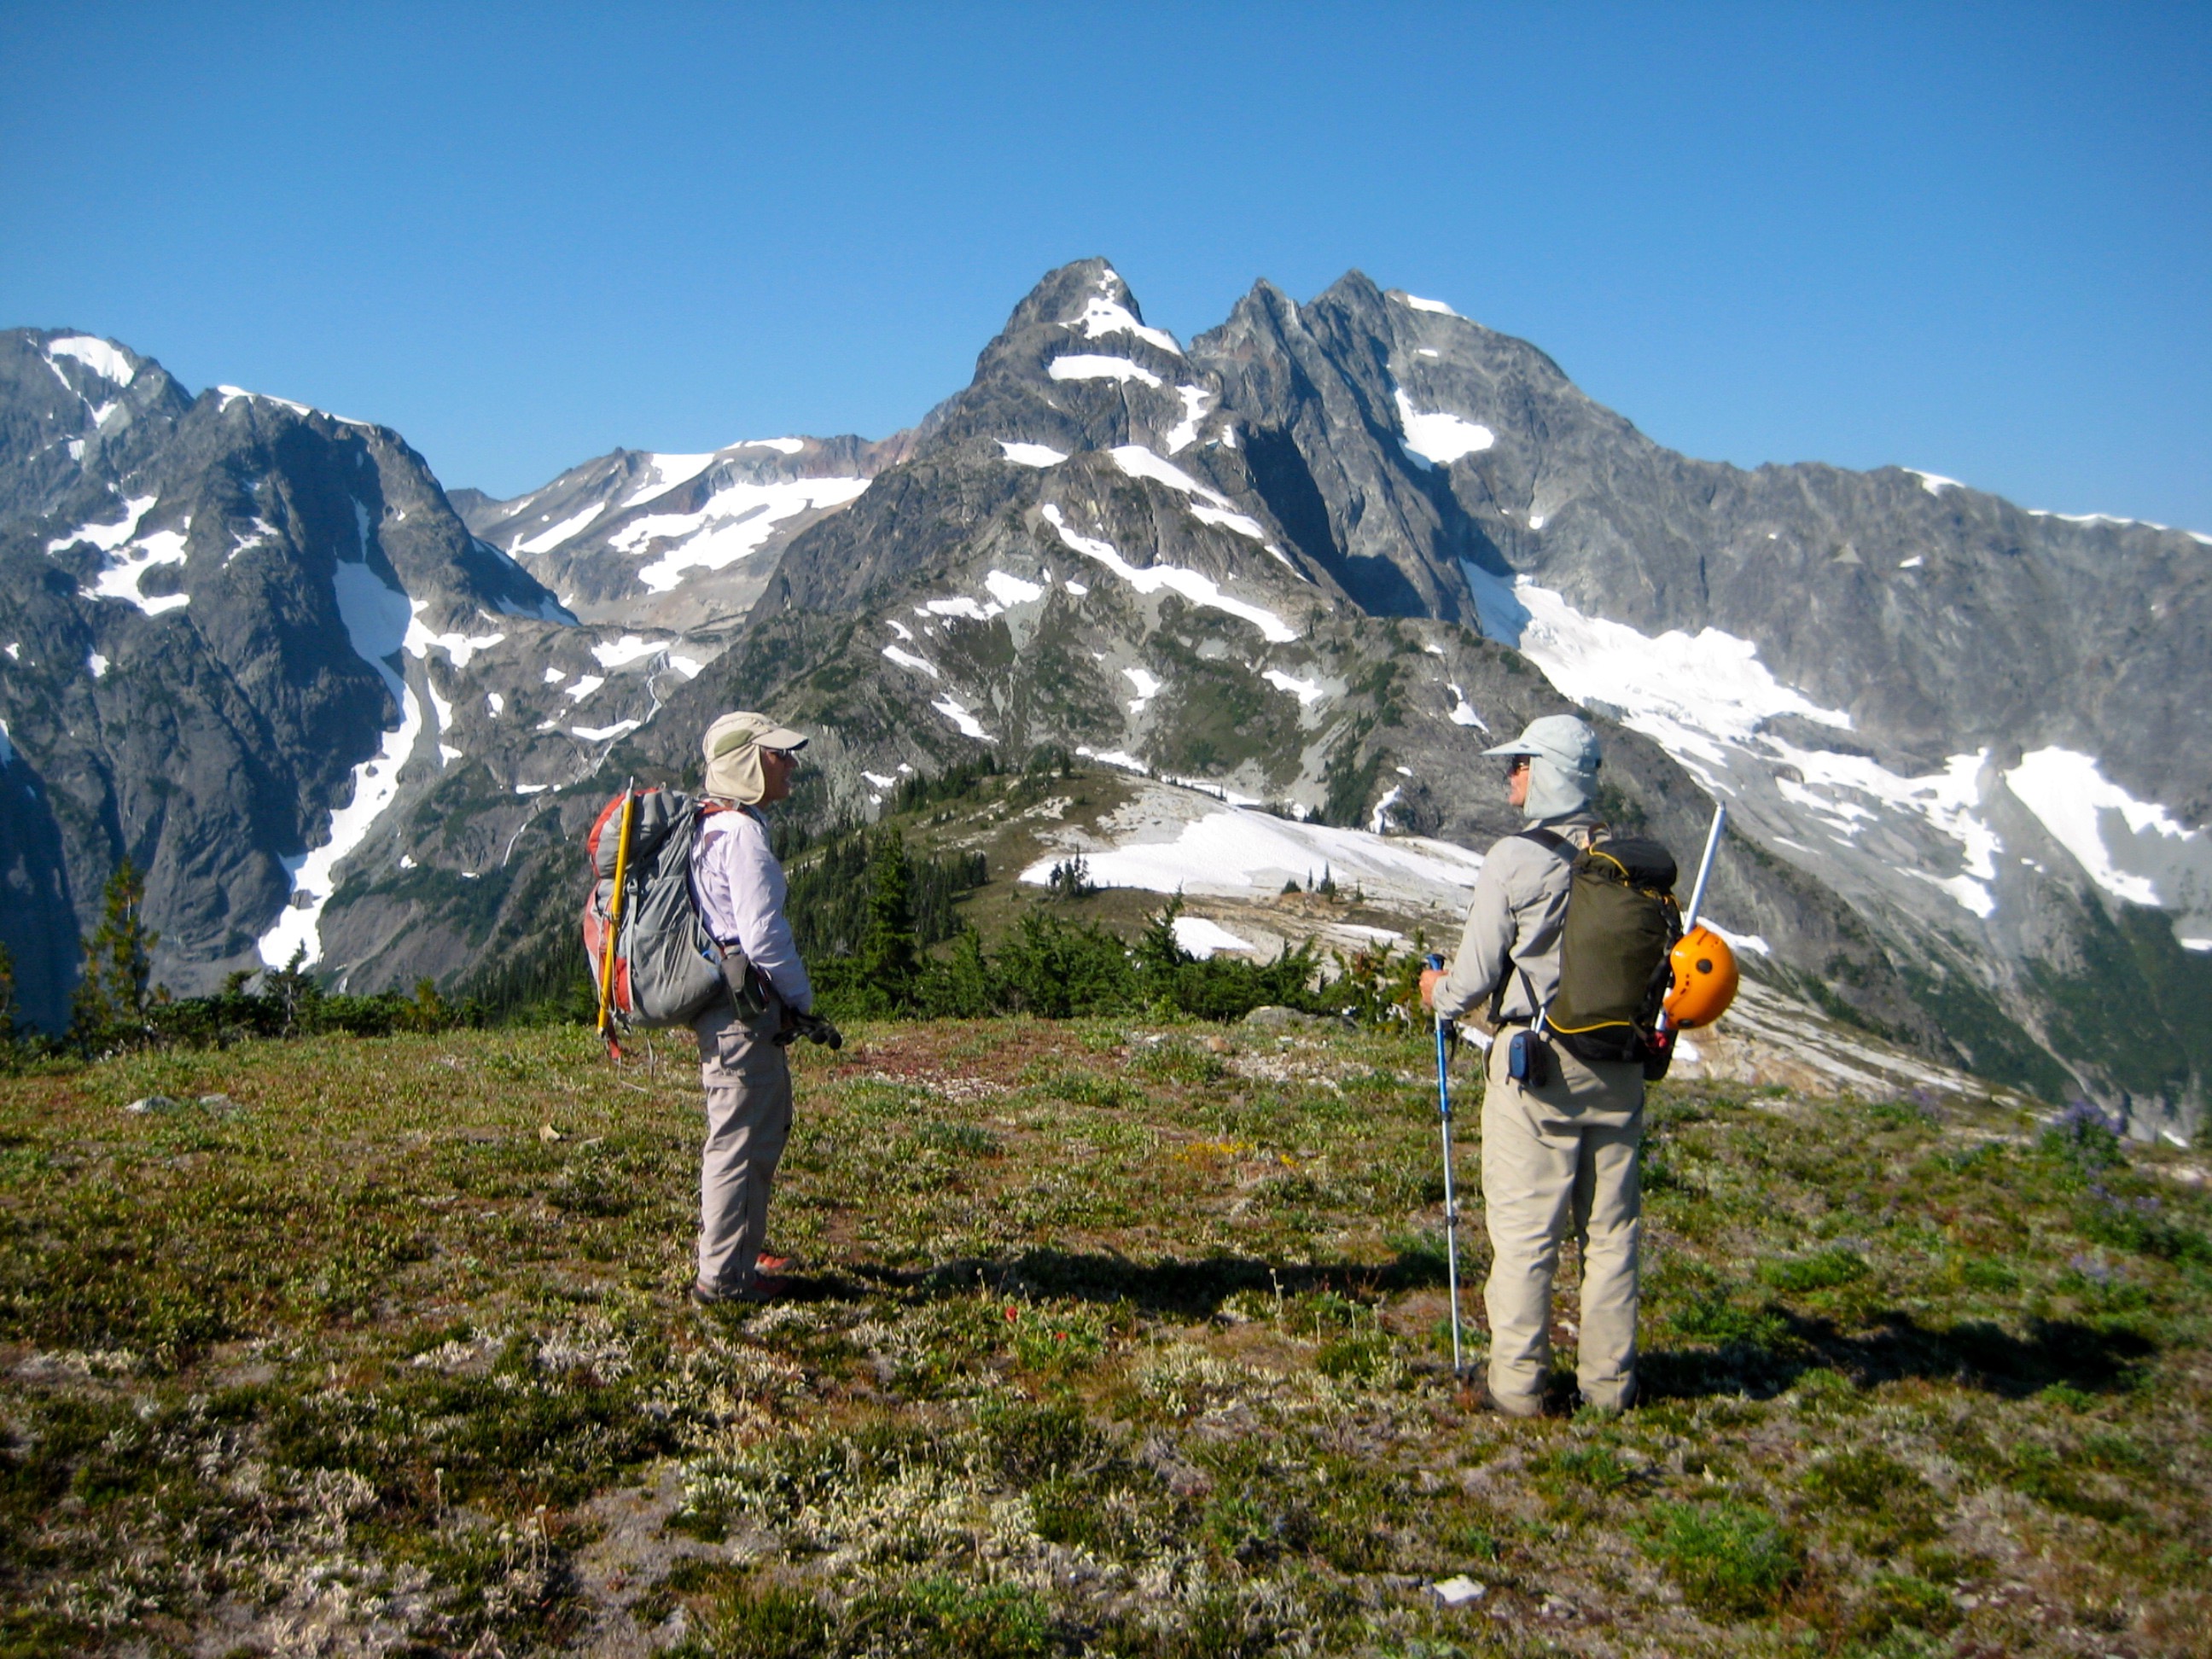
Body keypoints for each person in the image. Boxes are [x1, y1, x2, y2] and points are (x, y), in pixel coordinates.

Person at [1420, 714, 1645, 1416]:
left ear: (1545, 772)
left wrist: (1437, 992)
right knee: (1610, 1237)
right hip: (1621, 1067)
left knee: (1525, 1236)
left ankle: (1516, 1392)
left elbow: (1475, 982)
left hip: (1537, 1072)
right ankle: (1609, 1392)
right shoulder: (1627, 861)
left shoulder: (1514, 860)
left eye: (1520, 762)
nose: (1510, 773)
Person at [687, 710, 814, 1305]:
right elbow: (762, 936)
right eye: (777, 754)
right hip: (745, 1012)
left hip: (721, 1006)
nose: (789, 763)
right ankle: (726, 1283)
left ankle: (738, 1252)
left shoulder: (707, 825)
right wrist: (802, 1003)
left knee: (742, 1133)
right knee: (741, 1141)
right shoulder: (739, 833)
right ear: (747, 763)